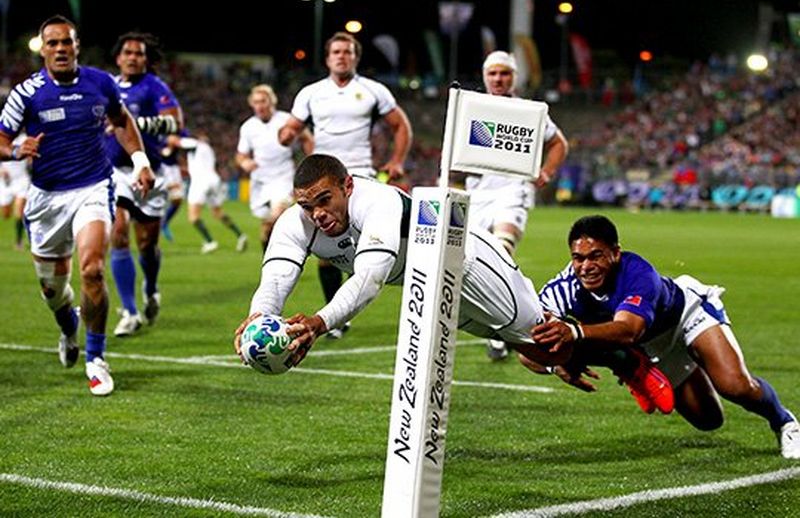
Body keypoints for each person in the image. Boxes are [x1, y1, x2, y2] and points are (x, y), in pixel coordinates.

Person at [234, 154, 560, 372]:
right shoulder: (294, 224)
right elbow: (276, 279)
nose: (317, 214)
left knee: (544, 338)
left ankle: (604, 337)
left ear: (347, 186)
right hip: (432, 284)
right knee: (531, 350)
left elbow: (368, 280)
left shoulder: (377, 201)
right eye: (307, 206)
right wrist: (258, 315)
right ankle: (584, 351)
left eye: (324, 200)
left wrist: (318, 323)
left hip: (468, 260)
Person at [532, 215, 800, 459]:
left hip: (686, 315)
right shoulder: (562, 289)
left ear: (615, 253)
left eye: (596, 256)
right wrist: (555, 365)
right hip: (652, 344)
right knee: (708, 420)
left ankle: (784, 421)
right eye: (578, 258)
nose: (586, 266)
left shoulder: (638, 273)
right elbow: (527, 346)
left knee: (734, 385)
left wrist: (574, 332)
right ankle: (630, 362)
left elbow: (629, 330)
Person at [0, 15, 154, 396]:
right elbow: (1, 140)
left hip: (94, 187)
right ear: (43, 50)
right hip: (46, 197)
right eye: (51, 44)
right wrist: (17, 148)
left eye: (65, 42)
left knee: (92, 270)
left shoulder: (100, 83)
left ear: (77, 46)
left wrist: (141, 161)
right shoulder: (27, 93)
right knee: (53, 290)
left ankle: (96, 357)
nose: (60, 49)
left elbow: (122, 120)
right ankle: (68, 326)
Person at [278, 32, 412, 340]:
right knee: (326, 249)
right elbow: (293, 127)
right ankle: (334, 316)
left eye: (348, 52)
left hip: (359, 177)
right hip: (321, 178)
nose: (342, 56)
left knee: (369, 247)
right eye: (336, 51)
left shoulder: (372, 90)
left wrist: (397, 160)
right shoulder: (311, 93)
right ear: (327, 58)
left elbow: (400, 125)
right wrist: (286, 134)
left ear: (356, 57)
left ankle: (355, 299)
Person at [473, 51, 569, 362]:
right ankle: (505, 319)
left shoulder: (529, 112)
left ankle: (506, 332)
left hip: (512, 191)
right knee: (473, 264)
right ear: (485, 76)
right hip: (476, 195)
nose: (498, 79)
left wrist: (546, 172)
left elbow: (559, 143)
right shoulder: (472, 108)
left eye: (505, 74)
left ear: (514, 77)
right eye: (493, 74)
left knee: (501, 252)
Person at [105, 31, 184, 336]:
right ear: (118, 57)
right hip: (115, 173)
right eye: (128, 52)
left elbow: (174, 122)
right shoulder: (107, 86)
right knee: (119, 233)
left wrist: (132, 125)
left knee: (147, 245)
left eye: (139, 53)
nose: (133, 58)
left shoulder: (154, 86)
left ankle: (150, 288)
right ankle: (130, 311)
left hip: (151, 172)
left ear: (146, 59)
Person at [236, 84, 312, 251]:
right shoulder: (248, 127)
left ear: (272, 102)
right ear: (251, 104)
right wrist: (244, 163)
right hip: (260, 182)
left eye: (263, 101)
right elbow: (240, 155)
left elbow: (306, 138)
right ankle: (270, 264)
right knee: (266, 229)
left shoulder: (286, 120)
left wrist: (311, 163)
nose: (260, 106)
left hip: (283, 178)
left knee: (276, 217)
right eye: (256, 102)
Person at [181, 132, 247, 253]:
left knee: (193, 217)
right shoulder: (209, 150)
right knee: (217, 213)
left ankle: (210, 242)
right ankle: (240, 235)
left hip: (200, 182)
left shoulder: (196, 145)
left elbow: (176, 141)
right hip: (213, 180)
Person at [0, 135, 30, 249]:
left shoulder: (23, 139)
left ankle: (19, 242)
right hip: (5, 182)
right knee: (6, 214)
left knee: (19, 209)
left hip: (21, 179)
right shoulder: (2, 137)